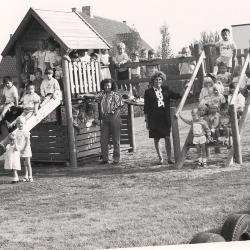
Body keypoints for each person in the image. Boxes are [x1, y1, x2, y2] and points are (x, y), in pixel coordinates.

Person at [144, 71, 181, 165]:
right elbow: (146, 108)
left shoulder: (166, 89)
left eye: (160, 79)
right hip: (154, 117)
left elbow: (176, 96)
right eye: (156, 80)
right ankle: (160, 158)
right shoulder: (148, 92)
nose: (158, 81)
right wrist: (147, 121)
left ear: (162, 80)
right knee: (156, 139)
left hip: (165, 116)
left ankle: (169, 158)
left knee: (167, 137)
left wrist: (185, 89)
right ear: (153, 81)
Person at [95, 78, 124, 164]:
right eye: (105, 85)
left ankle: (116, 159)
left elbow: (119, 107)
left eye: (108, 85)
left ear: (112, 86)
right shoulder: (101, 95)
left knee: (116, 140)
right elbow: (94, 98)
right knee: (103, 139)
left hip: (114, 117)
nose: (107, 87)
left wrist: (114, 117)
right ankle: (105, 159)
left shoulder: (116, 95)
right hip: (105, 118)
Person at [12, 116, 33, 182]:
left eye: (21, 123)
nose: (20, 124)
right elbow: (15, 140)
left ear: (24, 123)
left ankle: (30, 176)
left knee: (27, 163)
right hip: (20, 149)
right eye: (18, 123)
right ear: (16, 124)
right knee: (24, 163)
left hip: (26, 149)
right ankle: (25, 176)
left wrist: (24, 149)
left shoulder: (26, 131)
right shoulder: (16, 132)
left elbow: (27, 141)